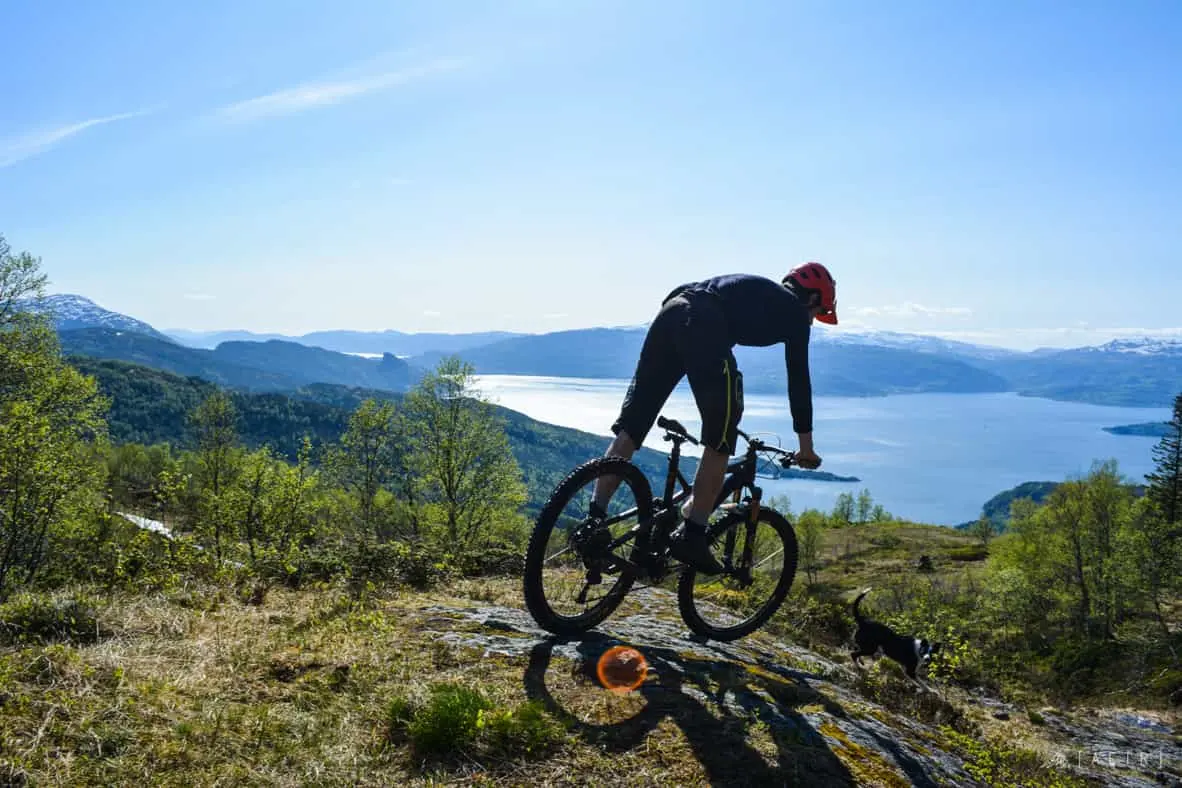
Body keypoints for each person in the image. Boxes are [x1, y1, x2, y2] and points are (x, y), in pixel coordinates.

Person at [588, 262, 836, 575]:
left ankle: (595, 519)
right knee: (722, 434)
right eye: (819, 312)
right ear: (812, 299)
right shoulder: (796, 315)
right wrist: (806, 446)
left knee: (632, 427)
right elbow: (799, 382)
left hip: (672, 310)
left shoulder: (759, 292)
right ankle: (693, 532)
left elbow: (686, 296)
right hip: (703, 321)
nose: (814, 321)